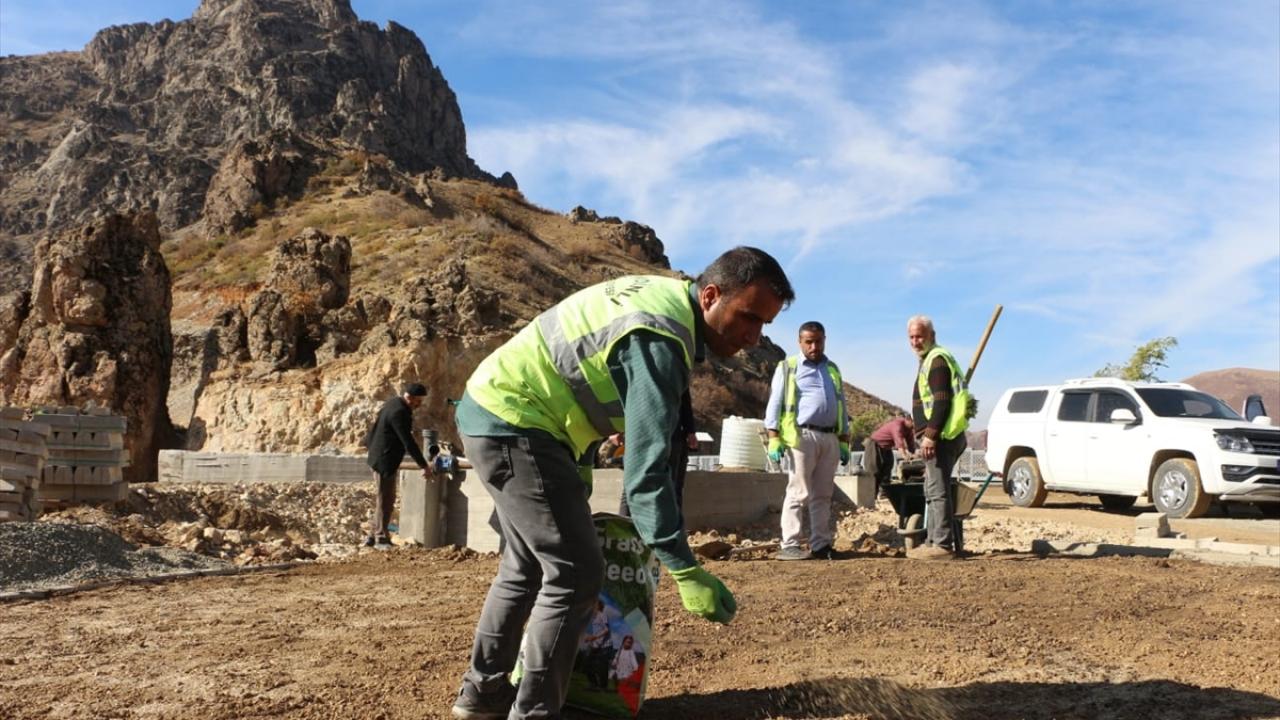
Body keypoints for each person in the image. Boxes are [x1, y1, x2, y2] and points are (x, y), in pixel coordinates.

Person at [449, 246, 794, 720]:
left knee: (526, 565)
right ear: (711, 295)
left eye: (764, 326)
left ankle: (482, 697)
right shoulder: (661, 339)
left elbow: (582, 374)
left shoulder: (662, 305)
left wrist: (580, 459)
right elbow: (646, 474)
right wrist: (684, 569)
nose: (754, 337)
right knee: (574, 572)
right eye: (749, 317)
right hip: (518, 421)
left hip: (497, 409)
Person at [764, 321, 851, 561]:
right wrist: (773, 436)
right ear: (800, 342)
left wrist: (843, 439)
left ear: (825, 339)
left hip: (829, 436)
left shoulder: (832, 369)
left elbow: (842, 403)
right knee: (798, 491)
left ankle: (821, 544)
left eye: (818, 341)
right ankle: (790, 543)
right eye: (809, 342)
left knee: (823, 494)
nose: (814, 346)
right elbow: (776, 402)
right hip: (802, 435)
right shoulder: (788, 367)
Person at [905, 315, 969, 560]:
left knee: (938, 491)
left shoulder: (937, 361)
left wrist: (930, 436)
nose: (915, 341)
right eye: (911, 337)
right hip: (940, 436)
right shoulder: (928, 360)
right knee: (932, 490)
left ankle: (942, 544)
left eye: (919, 336)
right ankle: (933, 540)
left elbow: (942, 401)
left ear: (931, 335)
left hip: (941, 437)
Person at [362, 382, 433, 548]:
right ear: (410, 397)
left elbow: (375, 428)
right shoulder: (399, 412)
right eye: (418, 400)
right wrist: (424, 465)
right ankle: (380, 538)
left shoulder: (393, 403)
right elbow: (408, 442)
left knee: (385, 498)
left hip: (379, 456)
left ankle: (373, 535)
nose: (419, 404)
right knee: (385, 500)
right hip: (385, 459)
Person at [618, 390, 696, 517]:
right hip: (643, 432)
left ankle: (670, 529)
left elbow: (683, 397)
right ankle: (623, 527)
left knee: (671, 486)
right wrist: (618, 427)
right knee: (633, 484)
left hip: (668, 433)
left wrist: (690, 430)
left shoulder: (674, 372)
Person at [864, 416, 915, 498]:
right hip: (874, 444)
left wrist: (914, 456)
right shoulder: (897, 425)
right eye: (913, 423)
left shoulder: (909, 429)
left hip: (886, 448)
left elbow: (911, 444)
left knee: (887, 470)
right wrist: (906, 457)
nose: (914, 426)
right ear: (908, 420)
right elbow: (900, 444)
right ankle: (870, 497)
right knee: (873, 471)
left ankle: (883, 495)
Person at [580, 600, 613, 691]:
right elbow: (597, 630)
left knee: (602, 667)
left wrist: (594, 637)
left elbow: (607, 630)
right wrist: (591, 639)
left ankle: (603, 687)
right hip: (596, 644)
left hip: (605, 646)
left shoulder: (602, 615)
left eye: (594, 605)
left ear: (598, 606)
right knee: (586, 663)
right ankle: (593, 684)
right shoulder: (594, 617)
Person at [610, 635, 643, 714]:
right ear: (623, 642)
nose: (628, 644)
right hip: (618, 672)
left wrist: (636, 671)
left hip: (627, 674)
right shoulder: (620, 650)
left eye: (630, 643)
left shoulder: (631, 652)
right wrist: (614, 663)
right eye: (627, 642)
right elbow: (615, 659)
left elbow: (634, 664)